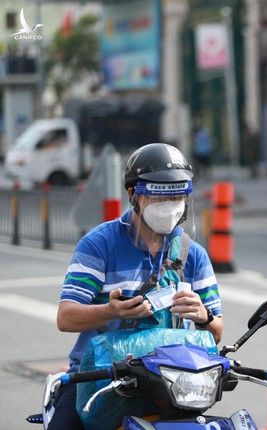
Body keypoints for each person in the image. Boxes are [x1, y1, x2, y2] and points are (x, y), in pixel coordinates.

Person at [48, 143, 224, 429]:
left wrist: (203, 316)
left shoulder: (194, 255)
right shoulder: (99, 245)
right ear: (133, 194)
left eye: (178, 196)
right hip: (101, 380)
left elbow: (216, 332)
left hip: (173, 384)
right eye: (159, 198)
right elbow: (66, 317)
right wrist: (111, 311)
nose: (170, 207)